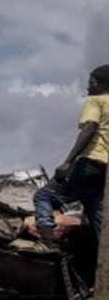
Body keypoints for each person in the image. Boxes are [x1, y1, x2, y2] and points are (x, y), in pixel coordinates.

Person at [34, 65, 109, 244]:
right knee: (94, 209)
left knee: (44, 196)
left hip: (90, 162)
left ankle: (47, 239)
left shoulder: (96, 100)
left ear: (104, 84)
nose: (89, 86)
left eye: (93, 82)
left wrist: (68, 162)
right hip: (105, 170)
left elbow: (89, 129)